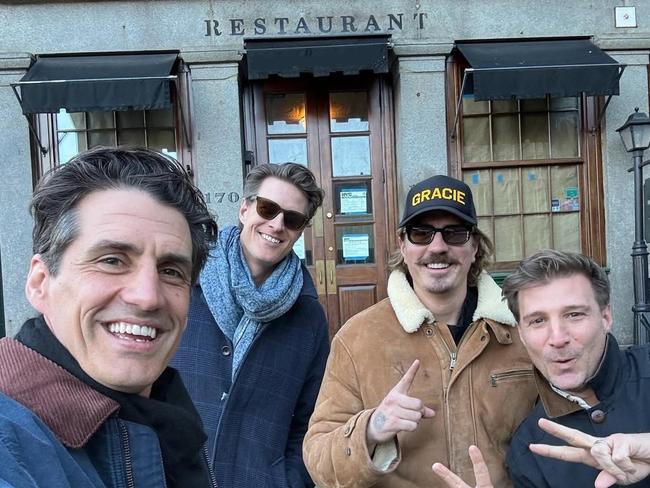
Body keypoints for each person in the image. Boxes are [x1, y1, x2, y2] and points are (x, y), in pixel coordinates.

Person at [0, 147, 219, 487]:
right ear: (40, 282)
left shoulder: (172, 425)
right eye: (112, 260)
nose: (147, 297)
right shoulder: (9, 449)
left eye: (171, 271)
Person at [303, 174, 538, 487]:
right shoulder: (358, 338)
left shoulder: (523, 330)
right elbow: (318, 460)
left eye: (454, 234)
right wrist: (372, 429)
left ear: (474, 245)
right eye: (421, 233)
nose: (437, 247)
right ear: (403, 244)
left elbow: (564, 431)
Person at [431, 250, 650, 488]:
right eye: (538, 321)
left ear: (606, 317)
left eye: (574, 314)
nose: (557, 338)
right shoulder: (530, 450)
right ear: (522, 335)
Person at [171, 162, 329, 487]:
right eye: (268, 208)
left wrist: (288, 481)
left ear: (301, 230)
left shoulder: (307, 316)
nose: (277, 224)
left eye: (293, 219)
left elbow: (311, 418)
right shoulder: (182, 283)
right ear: (245, 209)